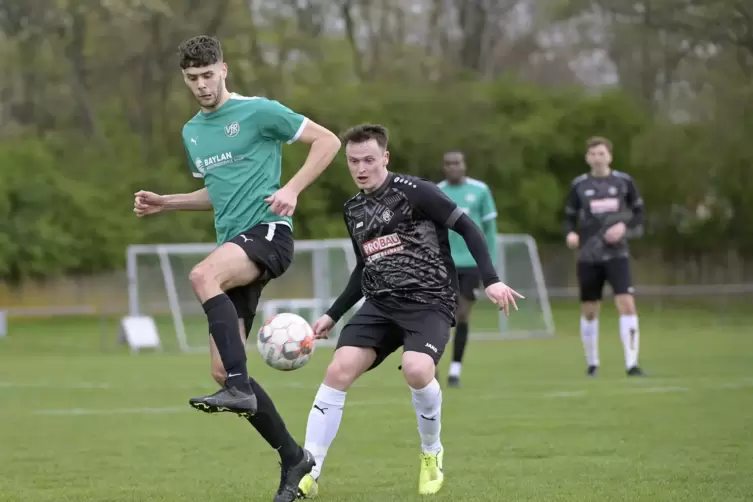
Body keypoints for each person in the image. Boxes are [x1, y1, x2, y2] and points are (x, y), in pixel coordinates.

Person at [132, 35, 341, 502]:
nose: (202, 86)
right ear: (184, 80)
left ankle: (243, 389)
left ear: (223, 70)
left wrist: (292, 189)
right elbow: (218, 192)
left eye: (208, 75)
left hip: (269, 233)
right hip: (236, 246)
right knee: (222, 372)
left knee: (201, 276)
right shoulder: (193, 133)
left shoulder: (259, 111)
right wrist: (168, 202)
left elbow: (328, 141)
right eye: (192, 79)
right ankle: (294, 459)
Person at [296, 124, 523, 499]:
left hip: (429, 300)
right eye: (353, 161)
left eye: (369, 159)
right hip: (380, 304)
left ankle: (431, 452)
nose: (361, 167)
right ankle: (308, 470)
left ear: (385, 158)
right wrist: (333, 314)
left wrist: (492, 279)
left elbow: (469, 228)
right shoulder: (353, 209)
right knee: (337, 369)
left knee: (418, 370)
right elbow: (362, 267)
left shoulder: (417, 191)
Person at [564, 136, 645, 377]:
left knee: (627, 304)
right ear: (587, 158)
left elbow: (639, 213)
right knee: (590, 310)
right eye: (593, 154)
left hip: (617, 254)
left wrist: (625, 229)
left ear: (610, 156)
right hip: (588, 256)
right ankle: (592, 363)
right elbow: (568, 216)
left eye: (601, 153)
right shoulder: (579, 185)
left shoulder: (623, 182)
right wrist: (570, 233)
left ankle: (632, 364)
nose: (597, 158)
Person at [437, 151, 498, 387]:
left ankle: (455, 369)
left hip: (471, 264)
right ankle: (431, 364)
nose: (453, 167)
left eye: (457, 163)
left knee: (462, 314)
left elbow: (490, 229)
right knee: (443, 315)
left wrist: (488, 265)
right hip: (444, 263)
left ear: (465, 165)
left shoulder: (480, 191)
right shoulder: (437, 191)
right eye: (448, 163)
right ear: (444, 167)